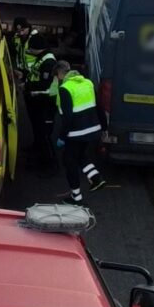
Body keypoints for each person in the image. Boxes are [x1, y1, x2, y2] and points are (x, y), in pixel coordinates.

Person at [51, 60, 106, 202]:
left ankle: (76, 197)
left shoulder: (65, 88)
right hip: (93, 130)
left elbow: (68, 117)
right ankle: (96, 178)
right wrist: (104, 127)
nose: (57, 80)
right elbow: (98, 107)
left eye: (56, 77)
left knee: (69, 161)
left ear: (59, 74)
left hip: (76, 132)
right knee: (80, 156)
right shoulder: (87, 83)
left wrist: (62, 136)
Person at [23, 33, 58, 171]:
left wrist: (27, 86)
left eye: (32, 49)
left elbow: (45, 84)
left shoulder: (49, 62)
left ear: (39, 48)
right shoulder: (42, 58)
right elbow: (35, 74)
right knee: (38, 131)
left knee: (44, 135)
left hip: (46, 103)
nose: (30, 51)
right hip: (38, 101)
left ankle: (49, 166)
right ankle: (37, 150)